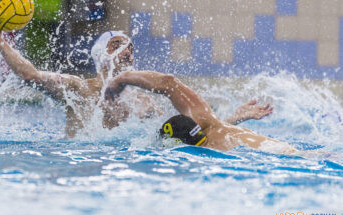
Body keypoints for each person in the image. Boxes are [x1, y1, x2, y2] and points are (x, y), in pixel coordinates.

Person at [0, 12, 272, 137]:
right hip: (77, 164)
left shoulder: (144, 105)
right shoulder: (77, 89)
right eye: (116, 45)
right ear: (100, 55)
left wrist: (234, 118)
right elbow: (29, 74)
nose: (127, 51)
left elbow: (191, 131)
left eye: (130, 46)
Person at [105, 70, 297, 154]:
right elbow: (168, 83)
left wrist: (120, 77)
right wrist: (124, 78)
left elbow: (168, 82)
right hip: (281, 149)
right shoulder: (208, 123)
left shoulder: (209, 150)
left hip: (277, 155)